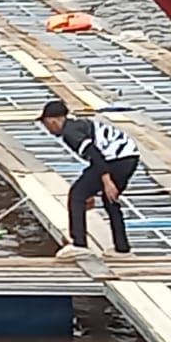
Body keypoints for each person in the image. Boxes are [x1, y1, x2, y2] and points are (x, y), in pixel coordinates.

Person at [40, 99, 140, 258]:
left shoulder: (70, 132)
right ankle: (122, 249)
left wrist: (106, 181)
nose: (48, 129)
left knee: (77, 194)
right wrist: (95, 189)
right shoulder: (79, 124)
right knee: (110, 200)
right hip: (130, 157)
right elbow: (95, 161)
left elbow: (95, 154)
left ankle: (79, 244)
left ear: (53, 121)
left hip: (115, 159)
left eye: (46, 124)